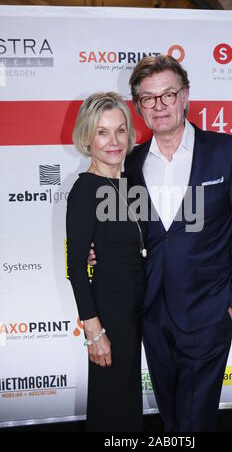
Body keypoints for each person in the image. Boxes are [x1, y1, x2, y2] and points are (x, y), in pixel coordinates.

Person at [89, 55, 232, 432]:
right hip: (152, 313)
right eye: (149, 98)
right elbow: (126, 231)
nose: (160, 105)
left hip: (209, 311)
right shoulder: (131, 164)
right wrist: (98, 250)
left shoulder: (226, 151)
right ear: (138, 107)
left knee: (194, 420)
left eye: (168, 94)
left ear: (185, 96)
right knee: (171, 413)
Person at [66, 92, 146, 432]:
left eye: (120, 130)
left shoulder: (134, 184)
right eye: (102, 132)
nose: (113, 141)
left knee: (129, 405)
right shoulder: (85, 191)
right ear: (87, 137)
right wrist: (93, 331)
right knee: (110, 407)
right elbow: (76, 269)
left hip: (143, 310)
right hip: (110, 315)